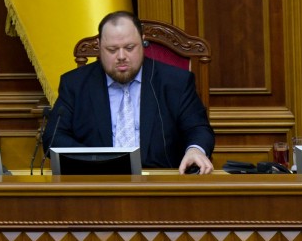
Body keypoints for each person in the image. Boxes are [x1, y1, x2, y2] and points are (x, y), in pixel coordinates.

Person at [43, 11, 216, 174]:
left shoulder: (175, 82)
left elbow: (198, 128)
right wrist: (97, 162)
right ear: (99, 46)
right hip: (97, 182)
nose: (121, 56)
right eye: (112, 50)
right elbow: (53, 137)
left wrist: (195, 150)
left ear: (143, 42)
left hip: (160, 184)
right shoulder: (75, 84)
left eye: (129, 47)